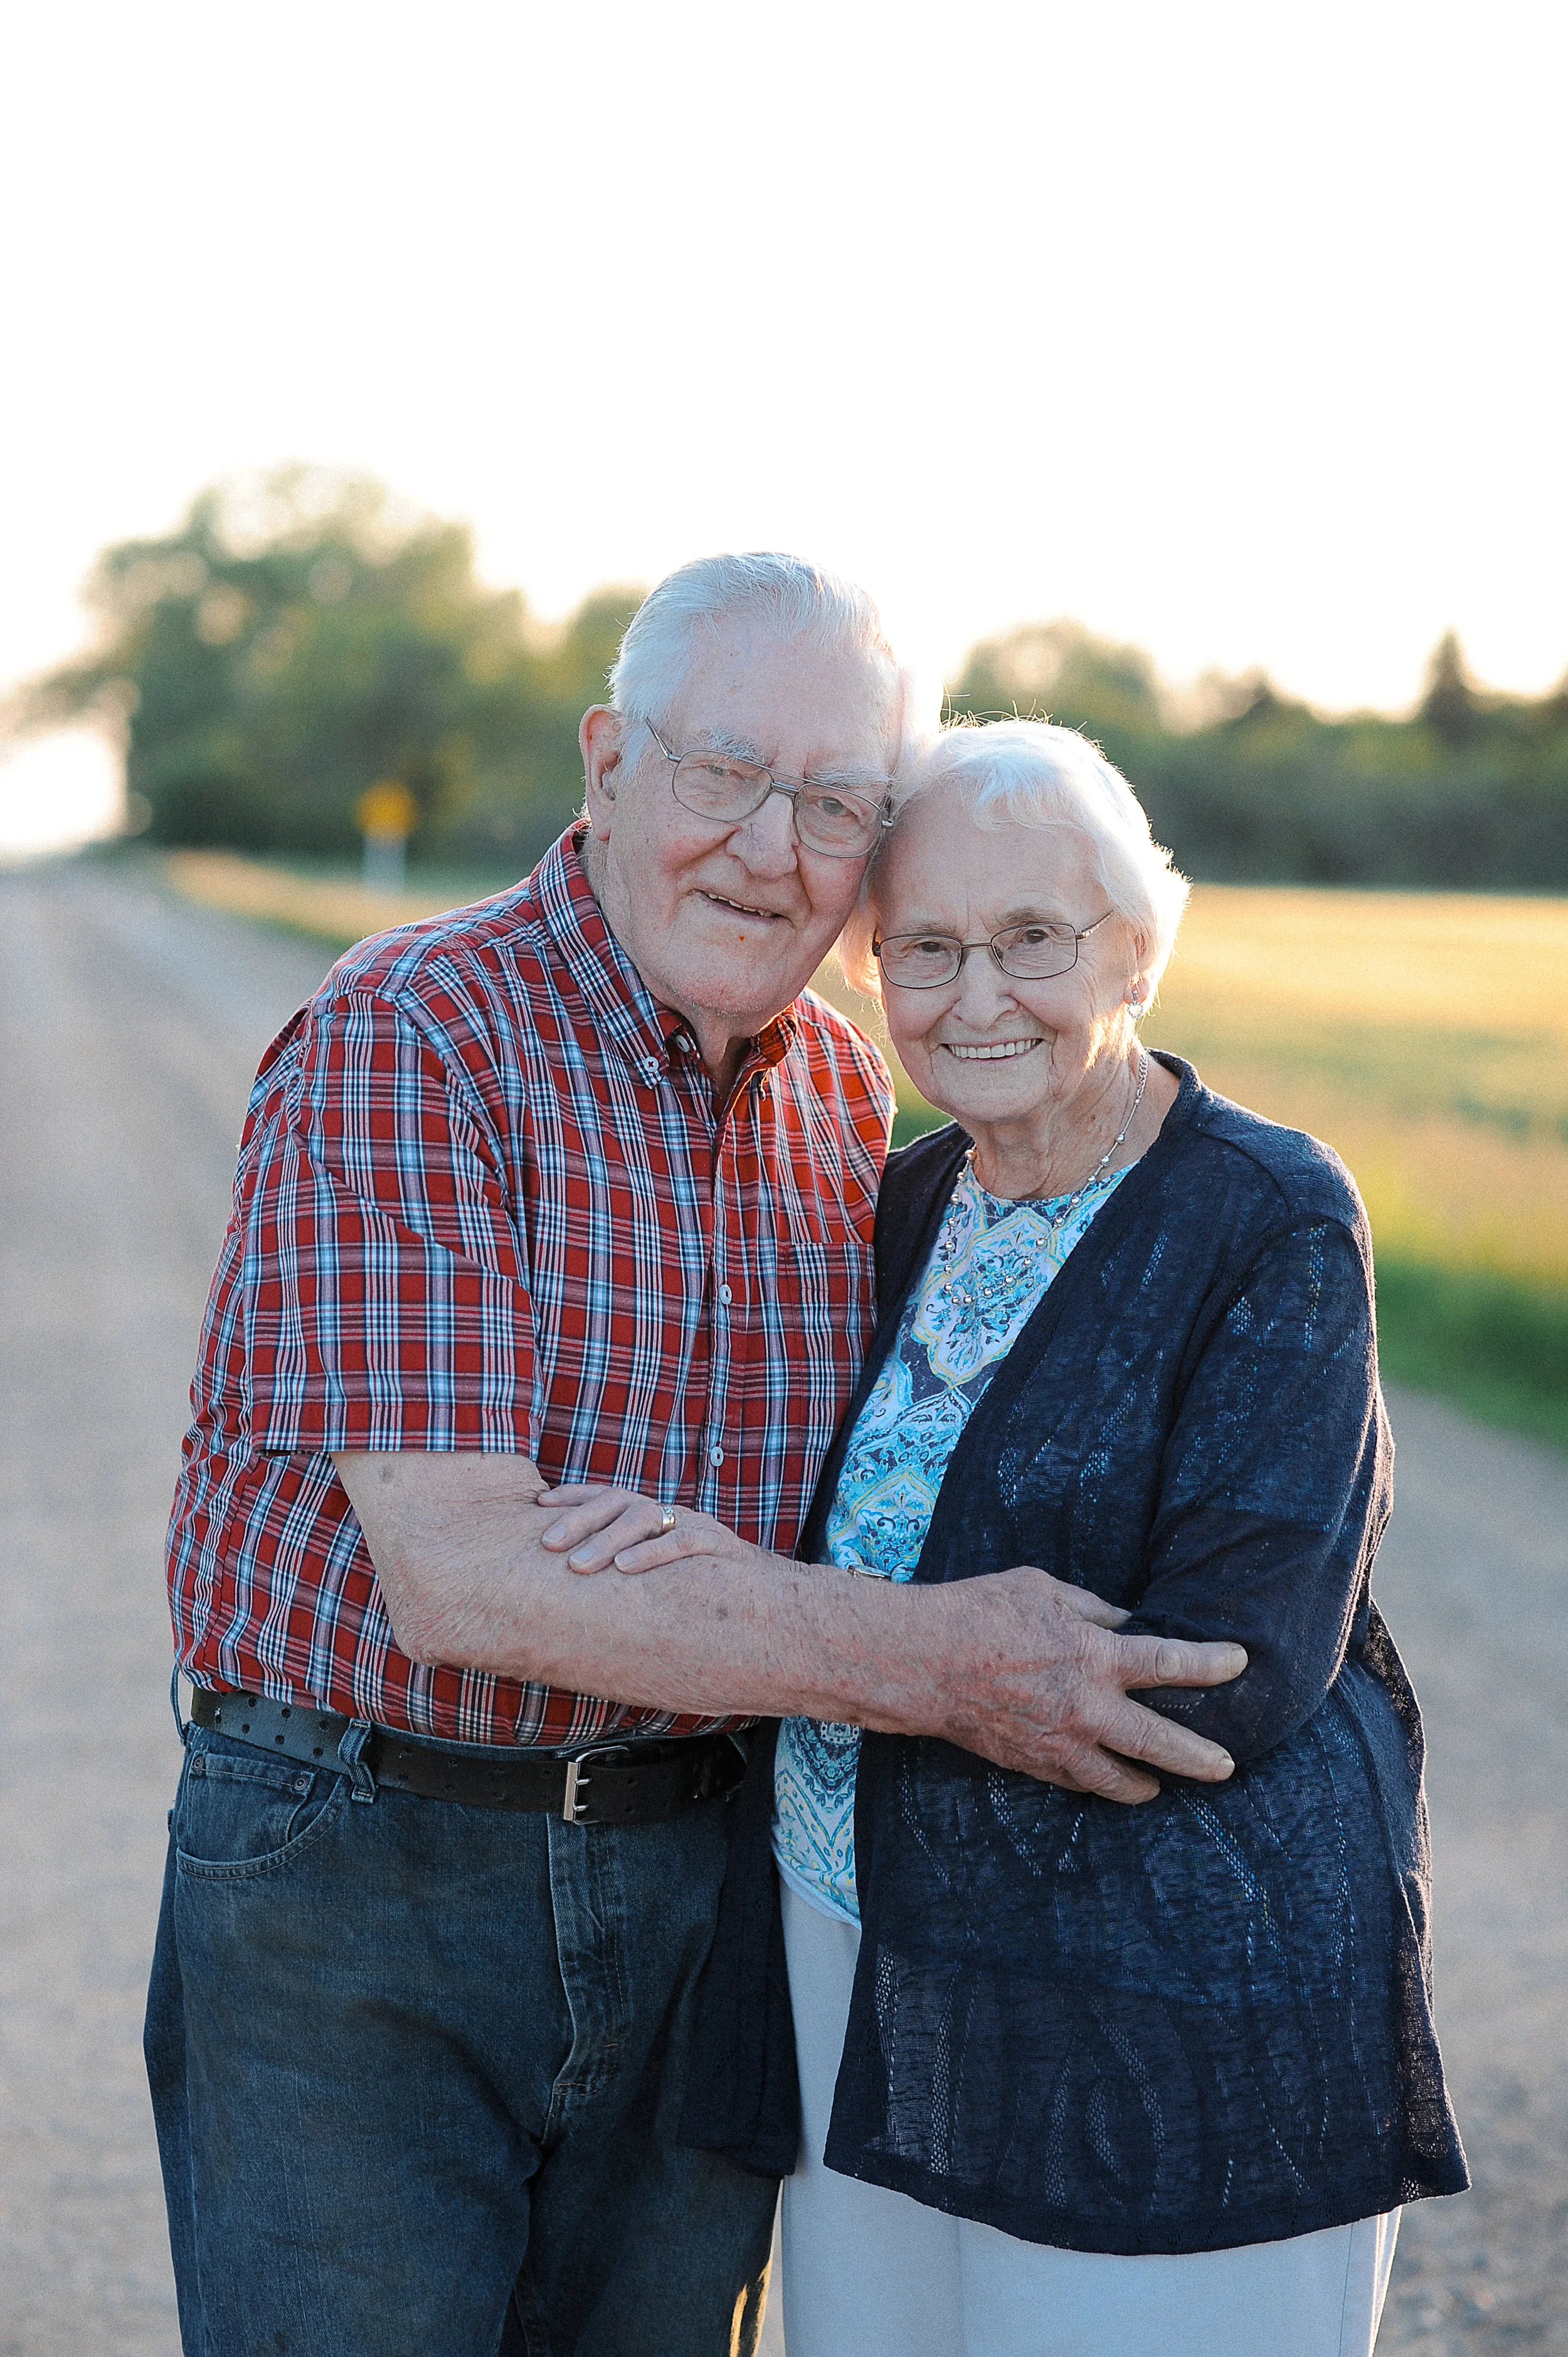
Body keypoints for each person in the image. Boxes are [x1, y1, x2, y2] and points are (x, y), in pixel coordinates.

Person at [147, 563, 1248, 2357]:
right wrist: (941, 1661)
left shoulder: (839, 1085)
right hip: (366, 1880)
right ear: (604, 765)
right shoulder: (410, 1033)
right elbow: (468, 1578)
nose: (768, 846)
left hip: (700, 1880)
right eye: (722, 768)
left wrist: (695, 1591)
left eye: (835, 804)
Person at [544, 718, 1469, 2357]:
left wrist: (817, 1639)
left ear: (1132, 949)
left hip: (1142, 1988)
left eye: (1032, 939)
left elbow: (1216, 1679)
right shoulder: (899, 1202)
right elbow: (795, 1540)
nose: (976, 996)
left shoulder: (1264, 1213)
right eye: (924, 949)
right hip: (857, 1957)